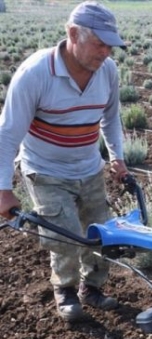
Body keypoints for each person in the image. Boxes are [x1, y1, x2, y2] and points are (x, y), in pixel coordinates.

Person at [0, 1, 129, 322]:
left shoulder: (107, 71)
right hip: (45, 170)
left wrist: (117, 158)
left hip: (88, 167)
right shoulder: (35, 73)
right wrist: (3, 188)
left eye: (110, 45)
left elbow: (110, 119)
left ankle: (93, 288)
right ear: (73, 34)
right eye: (99, 43)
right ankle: (66, 290)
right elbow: (7, 134)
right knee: (65, 234)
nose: (106, 53)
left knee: (100, 232)